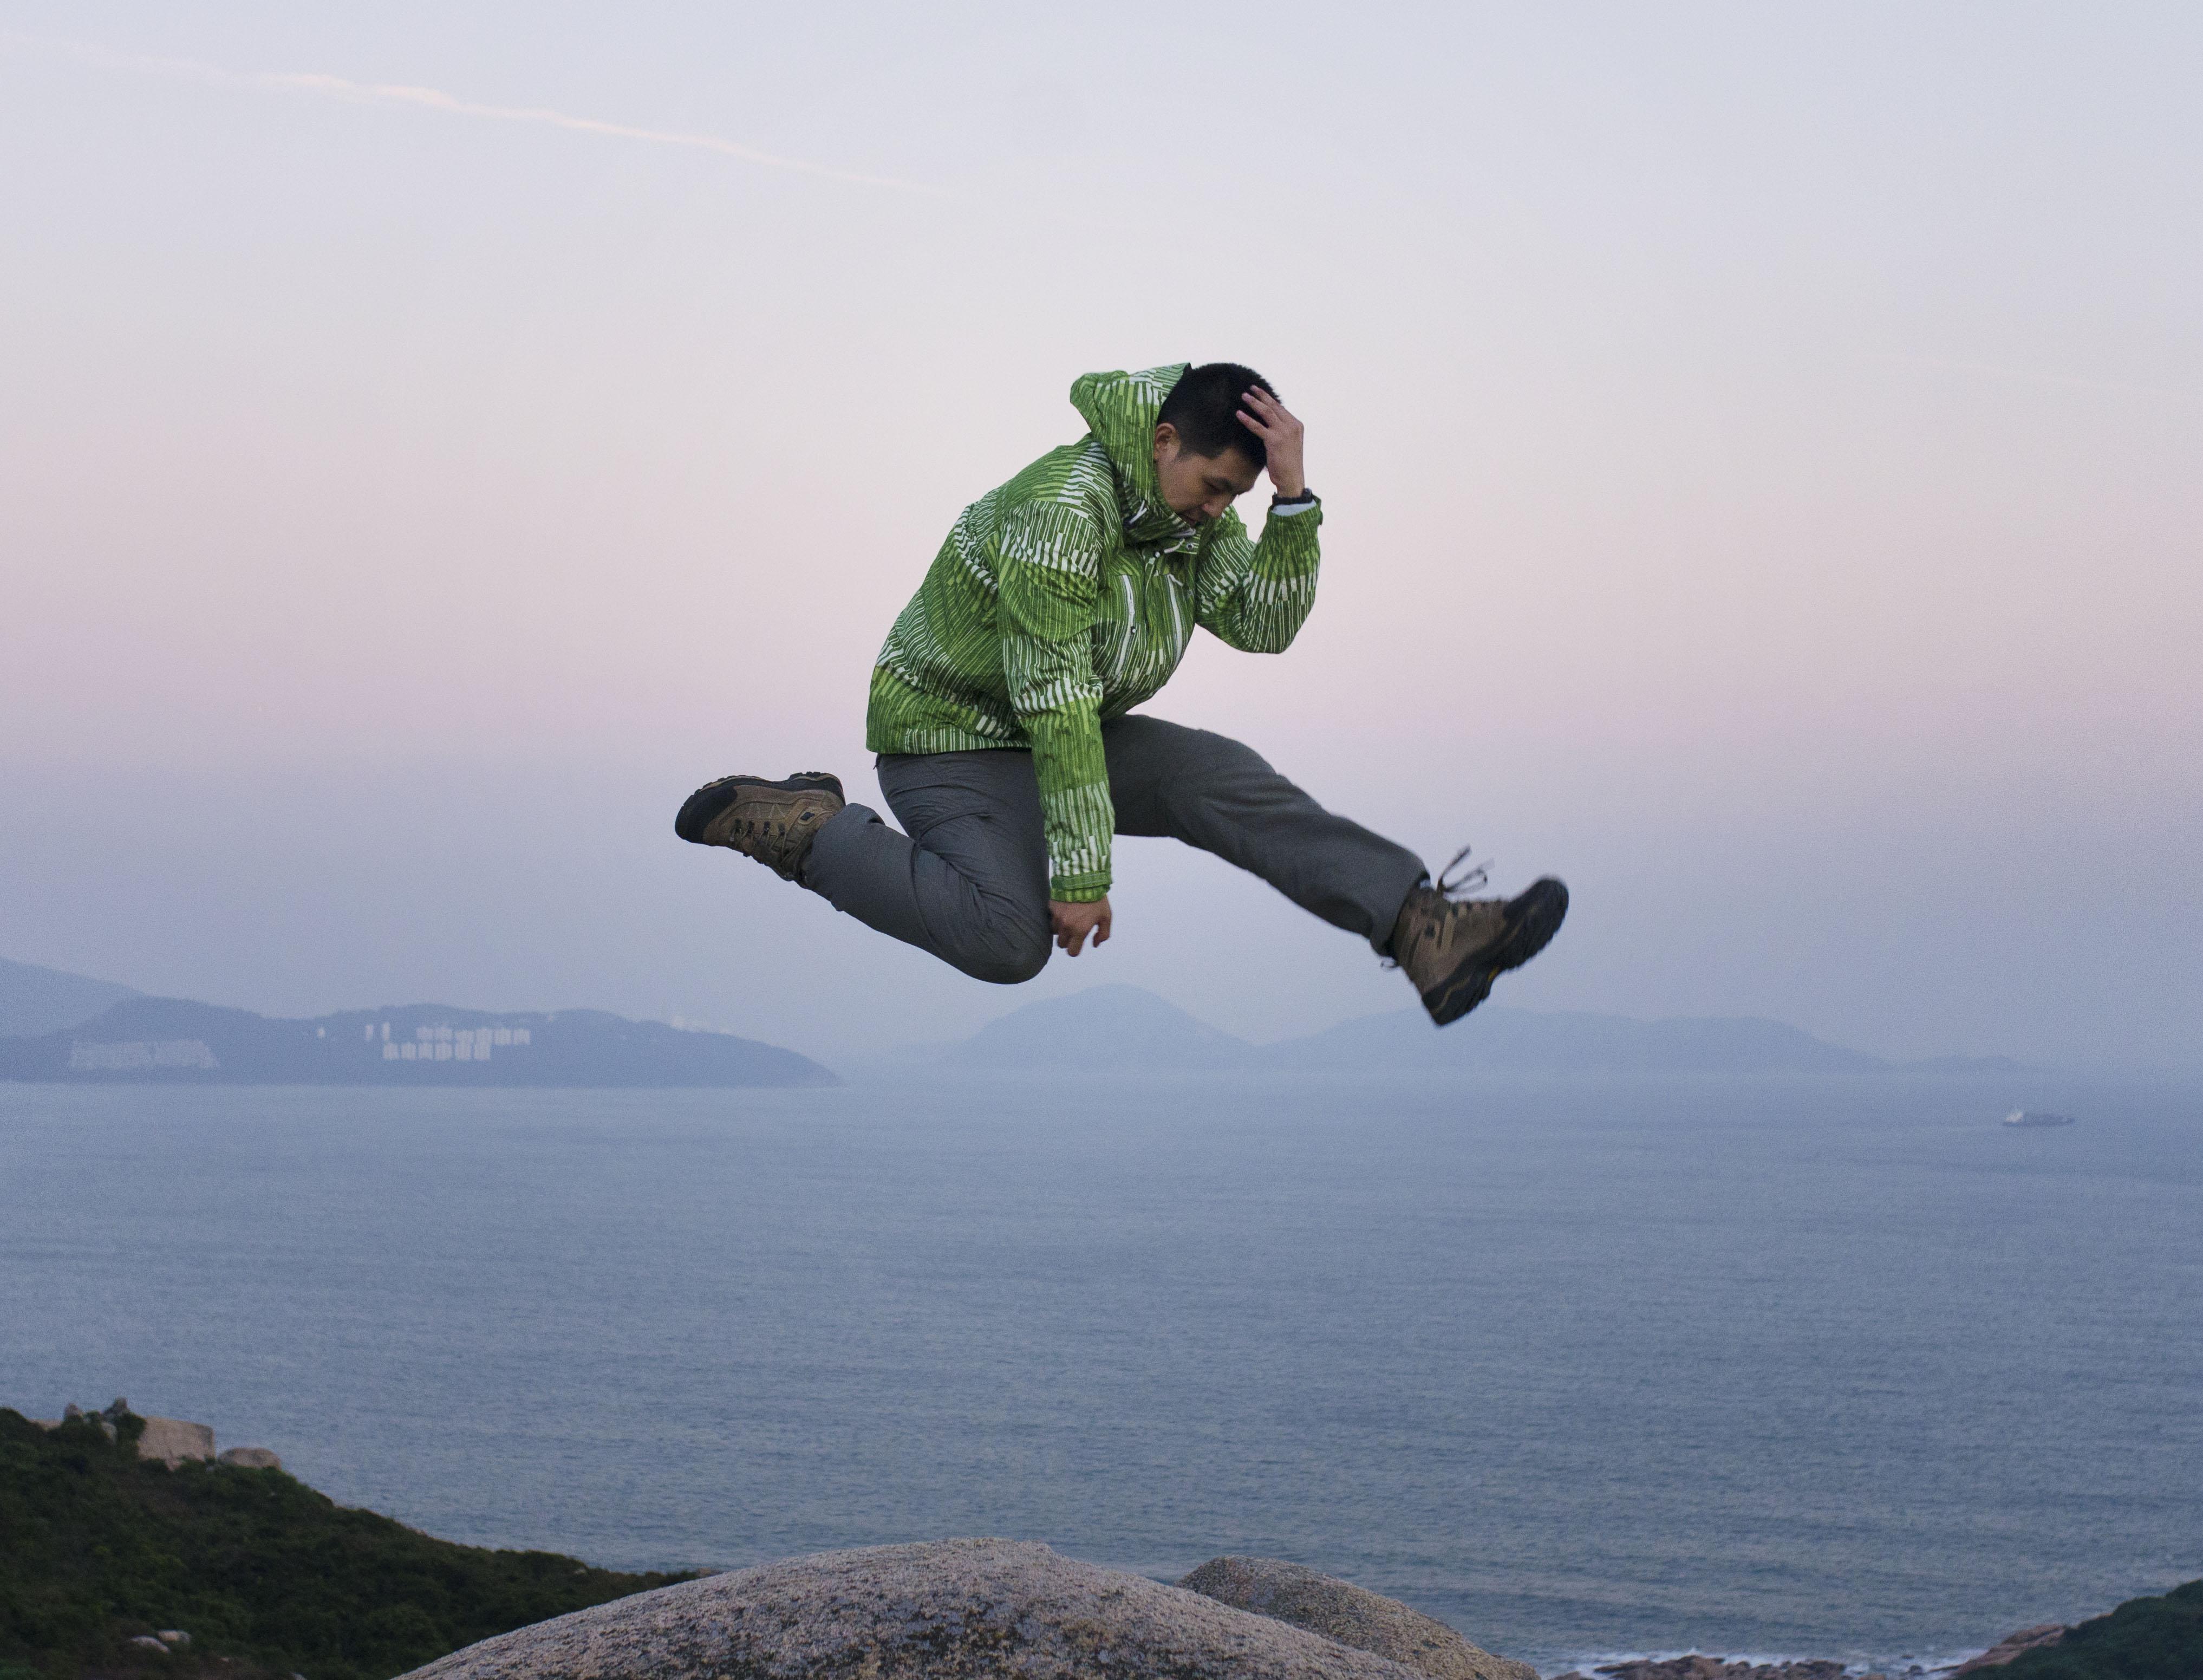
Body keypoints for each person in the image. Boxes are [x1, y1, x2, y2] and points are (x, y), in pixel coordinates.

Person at [675, 362, 1566, 1025]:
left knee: (1216, 773)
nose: (1222, 510)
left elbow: (1265, 622)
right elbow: (1054, 698)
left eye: (1239, 497)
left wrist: (1293, 502)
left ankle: (1422, 926)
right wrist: (1081, 877)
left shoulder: (1189, 524)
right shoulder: (1063, 513)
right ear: (1162, 442)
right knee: (1009, 941)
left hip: (1066, 739)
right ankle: (813, 832)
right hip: (946, 744)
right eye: (1219, 486)